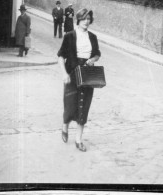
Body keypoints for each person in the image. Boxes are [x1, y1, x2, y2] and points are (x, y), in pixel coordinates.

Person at [57, 8, 101, 152]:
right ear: (78, 20)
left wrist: (92, 59)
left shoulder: (93, 37)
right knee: (70, 104)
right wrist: (64, 73)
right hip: (72, 74)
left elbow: (97, 54)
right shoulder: (70, 36)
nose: (86, 22)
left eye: (89, 19)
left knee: (84, 105)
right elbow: (60, 56)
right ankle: (65, 125)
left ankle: (78, 139)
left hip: (87, 75)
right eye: (84, 19)